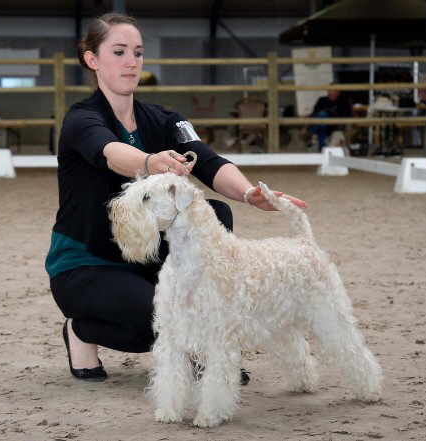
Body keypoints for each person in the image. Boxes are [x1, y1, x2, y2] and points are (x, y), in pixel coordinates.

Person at [45, 12, 308, 383]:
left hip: (145, 256)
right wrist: (150, 161)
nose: (131, 62)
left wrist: (249, 193)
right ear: (92, 59)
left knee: (212, 212)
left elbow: (208, 160)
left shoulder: (166, 120)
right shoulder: (82, 119)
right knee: (153, 325)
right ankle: (80, 330)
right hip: (87, 264)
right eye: (119, 52)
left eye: (137, 52)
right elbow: (109, 152)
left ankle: (201, 344)